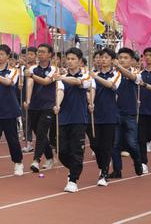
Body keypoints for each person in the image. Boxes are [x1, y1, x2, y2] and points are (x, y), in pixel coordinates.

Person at [53, 47, 92, 193]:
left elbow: (77, 82)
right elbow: (60, 91)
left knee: (76, 150)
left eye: (73, 59)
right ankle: (75, 168)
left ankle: (73, 179)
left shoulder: (86, 76)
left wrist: (61, 77)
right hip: (64, 118)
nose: (70, 62)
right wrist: (57, 104)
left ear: (80, 61)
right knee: (62, 151)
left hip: (79, 118)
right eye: (68, 59)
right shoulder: (62, 77)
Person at [87, 49, 121, 186]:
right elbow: (91, 89)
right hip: (95, 114)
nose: (103, 60)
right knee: (95, 144)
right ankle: (103, 166)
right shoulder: (93, 75)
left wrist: (95, 76)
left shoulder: (116, 74)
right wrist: (90, 102)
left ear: (112, 60)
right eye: (101, 57)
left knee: (107, 145)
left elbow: (111, 85)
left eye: (106, 57)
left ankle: (104, 173)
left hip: (109, 114)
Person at [0, 44, 24, 176]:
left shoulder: (13, 71)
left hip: (9, 110)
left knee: (12, 139)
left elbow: (9, 82)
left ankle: (18, 162)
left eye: (2, 54)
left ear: (8, 56)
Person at [110, 47, 143, 178]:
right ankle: (117, 170)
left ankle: (137, 161)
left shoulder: (136, 73)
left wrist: (119, 67)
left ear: (131, 60)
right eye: (120, 58)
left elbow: (131, 77)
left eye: (125, 58)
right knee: (115, 144)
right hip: (114, 113)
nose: (122, 60)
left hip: (130, 113)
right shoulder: (113, 74)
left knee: (131, 143)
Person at [24, 43, 57, 172]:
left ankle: (36, 160)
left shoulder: (54, 69)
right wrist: (27, 100)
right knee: (39, 133)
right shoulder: (33, 68)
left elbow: (46, 81)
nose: (40, 54)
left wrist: (31, 75)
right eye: (39, 51)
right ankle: (49, 157)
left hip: (48, 105)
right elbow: (29, 85)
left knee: (42, 132)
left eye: (43, 52)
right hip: (34, 105)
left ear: (50, 54)